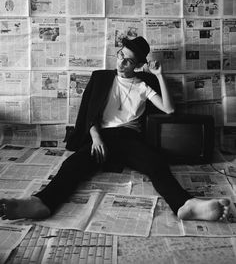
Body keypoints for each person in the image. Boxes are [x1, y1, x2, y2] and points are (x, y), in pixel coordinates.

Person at [0, 37, 230, 222]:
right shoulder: (100, 78)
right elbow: (88, 114)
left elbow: (169, 109)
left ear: (139, 65)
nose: (120, 63)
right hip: (102, 137)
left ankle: (186, 205)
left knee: (156, 164)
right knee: (73, 165)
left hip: (130, 138)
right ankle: (41, 203)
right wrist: (96, 136)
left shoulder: (143, 85)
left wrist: (159, 75)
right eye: (120, 55)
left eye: (128, 61)